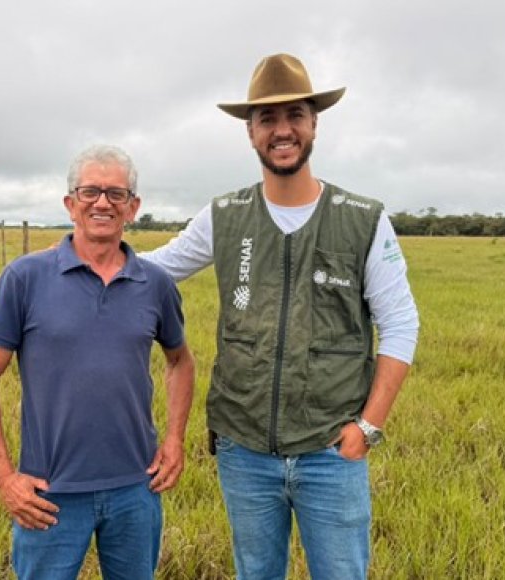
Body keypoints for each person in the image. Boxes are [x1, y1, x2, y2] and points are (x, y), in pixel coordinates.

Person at [141, 53, 420, 579]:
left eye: (294, 115)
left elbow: (401, 324)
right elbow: (159, 267)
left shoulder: (363, 220)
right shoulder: (224, 216)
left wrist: (369, 427)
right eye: (267, 119)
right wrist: (85, 255)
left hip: (330, 451)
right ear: (250, 133)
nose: (282, 130)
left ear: (314, 122)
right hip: (243, 449)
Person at [0, 144, 195, 580]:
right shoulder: (25, 278)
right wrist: (3, 476)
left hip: (136, 488)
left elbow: (180, 360)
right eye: (90, 192)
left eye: (116, 194)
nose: (103, 203)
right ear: (70, 204)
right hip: (49, 494)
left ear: (133, 208)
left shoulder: (156, 284)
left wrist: (175, 440)